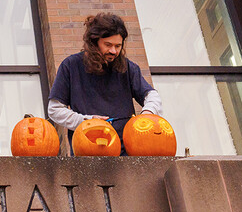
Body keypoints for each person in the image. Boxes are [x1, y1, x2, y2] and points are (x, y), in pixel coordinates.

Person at [47, 12, 162, 154]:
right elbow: (54, 110)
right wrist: (87, 121)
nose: (114, 51)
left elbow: (152, 96)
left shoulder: (128, 67)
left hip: (128, 156)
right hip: (88, 154)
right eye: (108, 45)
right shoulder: (70, 66)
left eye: (118, 46)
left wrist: (147, 113)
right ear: (94, 42)